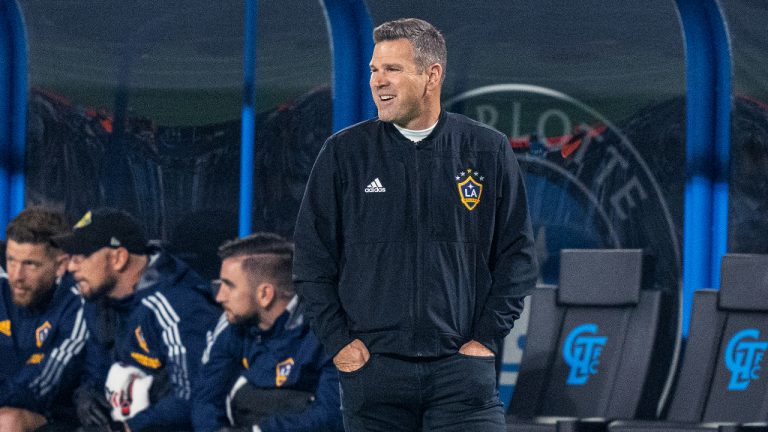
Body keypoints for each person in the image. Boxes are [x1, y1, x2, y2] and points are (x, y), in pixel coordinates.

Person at [293, 18, 538, 431]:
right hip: (373, 375)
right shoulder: (344, 153)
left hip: (461, 375)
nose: (377, 81)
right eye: (373, 69)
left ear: (431, 75)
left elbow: (517, 257)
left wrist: (484, 340)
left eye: (392, 69)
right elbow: (311, 261)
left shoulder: (485, 149)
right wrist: (341, 345)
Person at [53, 207, 220, 432]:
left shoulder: (178, 305)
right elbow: (96, 370)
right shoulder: (99, 302)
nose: (71, 266)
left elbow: (191, 398)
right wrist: (86, 396)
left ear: (118, 258)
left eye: (81, 256)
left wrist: (128, 427)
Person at [192, 232, 343, 432]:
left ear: (265, 294)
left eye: (228, 286)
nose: (219, 297)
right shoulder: (231, 324)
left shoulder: (330, 332)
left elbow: (331, 416)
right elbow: (205, 398)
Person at [0, 207, 87, 432]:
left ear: (60, 265)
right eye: (11, 260)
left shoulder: (78, 304)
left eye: (30, 264)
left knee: (8, 421)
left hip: (57, 418)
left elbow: (41, 384)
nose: (16, 276)